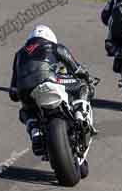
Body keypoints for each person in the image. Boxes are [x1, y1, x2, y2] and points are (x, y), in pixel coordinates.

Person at [9, 25, 93, 155]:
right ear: (50, 38)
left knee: (26, 110)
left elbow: (13, 92)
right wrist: (87, 77)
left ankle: (35, 132)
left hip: (25, 89)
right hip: (49, 80)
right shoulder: (55, 47)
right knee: (82, 85)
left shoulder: (19, 54)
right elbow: (76, 69)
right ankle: (80, 117)